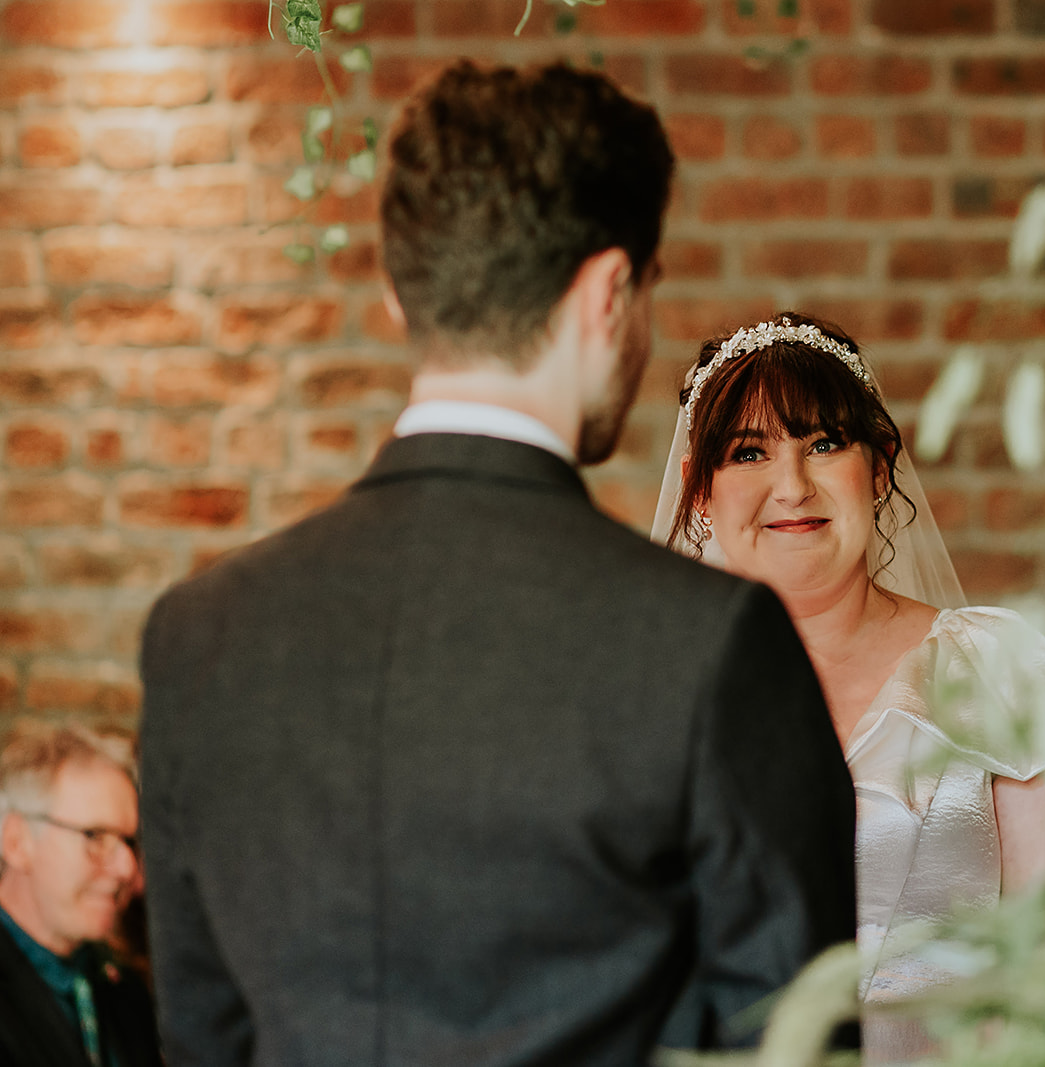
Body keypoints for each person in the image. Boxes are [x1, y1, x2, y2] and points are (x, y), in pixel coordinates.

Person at [138, 63, 857, 1067]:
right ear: (609, 292)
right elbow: (791, 1044)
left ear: (397, 295)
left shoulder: (198, 633)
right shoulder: (706, 640)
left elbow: (201, 1038)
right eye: (648, 289)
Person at [652, 313, 1045, 1062]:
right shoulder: (656, 701)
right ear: (700, 489)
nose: (792, 485)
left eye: (824, 443)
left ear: (878, 469)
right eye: (749, 451)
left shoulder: (992, 666)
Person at [0, 720, 160, 1067]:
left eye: (130, 842)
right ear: (16, 841)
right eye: (96, 836)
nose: (126, 868)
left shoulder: (125, 991)